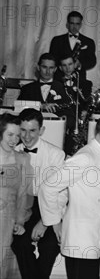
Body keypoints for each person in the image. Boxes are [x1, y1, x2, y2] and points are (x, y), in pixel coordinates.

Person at [39, 112, 100, 279]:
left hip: (91, 237)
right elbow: (48, 187)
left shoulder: (99, 156)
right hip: (80, 239)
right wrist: (54, 222)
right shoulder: (85, 157)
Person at [12, 109, 65, 279]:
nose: (27, 136)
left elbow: (61, 194)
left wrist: (44, 221)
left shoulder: (56, 154)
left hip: (48, 206)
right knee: (20, 243)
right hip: (22, 207)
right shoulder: (11, 152)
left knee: (50, 246)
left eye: (32, 130)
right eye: (23, 130)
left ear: (41, 130)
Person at [0, 114, 32, 279]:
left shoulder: (22, 160)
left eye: (17, 135)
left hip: (6, 221)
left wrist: (20, 221)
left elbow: (23, 195)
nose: (14, 140)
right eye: (10, 135)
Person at [49, 11, 96, 81]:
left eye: (77, 24)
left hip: (79, 79)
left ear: (81, 25)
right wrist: (63, 65)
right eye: (72, 23)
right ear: (67, 24)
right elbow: (52, 60)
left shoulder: (89, 42)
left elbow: (92, 61)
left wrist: (80, 64)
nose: (74, 27)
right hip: (59, 78)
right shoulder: (56, 40)